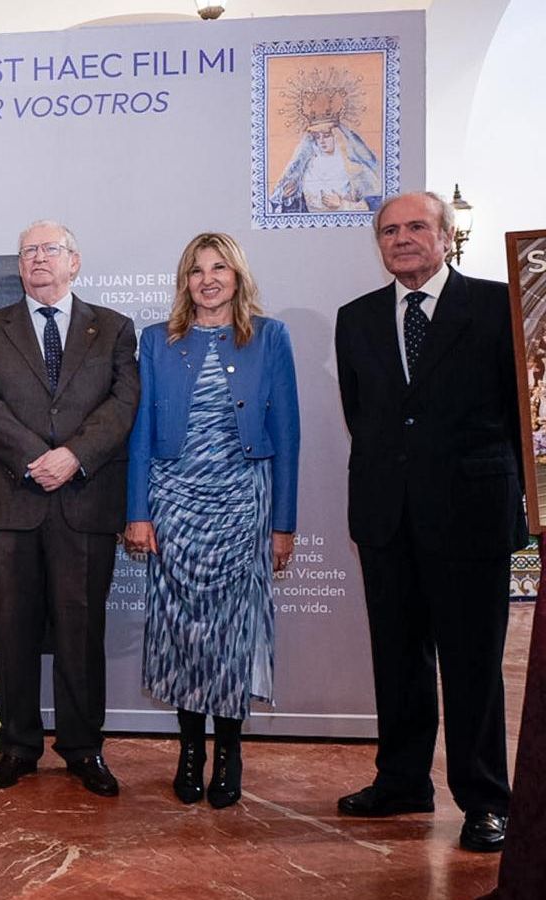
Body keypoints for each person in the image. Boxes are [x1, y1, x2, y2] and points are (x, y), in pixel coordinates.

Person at [334, 191, 524, 853]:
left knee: (473, 664)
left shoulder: (498, 307)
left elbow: (521, 414)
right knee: (398, 659)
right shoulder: (355, 318)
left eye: (417, 226)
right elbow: (366, 417)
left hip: (472, 515)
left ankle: (484, 800)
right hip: (386, 515)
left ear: (446, 236)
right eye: (390, 230)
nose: (403, 238)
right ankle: (402, 781)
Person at [122, 233, 299, 809]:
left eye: (219, 267)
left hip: (243, 503)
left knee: (231, 633)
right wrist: (138, 514)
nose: (208, 279)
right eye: (197, 270)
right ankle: (189, 750)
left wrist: (283, 522)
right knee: (182, 632)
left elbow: (288, 436)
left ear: (237, 276)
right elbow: (141, 433)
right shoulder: (156, 340)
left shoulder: (269, 337)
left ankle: (229, 751)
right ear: (185, 281)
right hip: (173, 505)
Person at [0, 220, 139, 797]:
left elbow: (123, 403)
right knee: (11, 629)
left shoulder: (112, 329)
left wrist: (74, 456)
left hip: (84, 499)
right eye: (29, 251)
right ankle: (17, 746)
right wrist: (36, 457)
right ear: (19, 266)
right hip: (11, 498)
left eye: (50, 250)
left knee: (80, 631)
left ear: (74, 262)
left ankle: (84, 748)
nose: (39, 259)